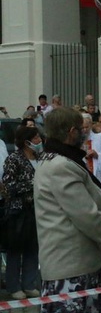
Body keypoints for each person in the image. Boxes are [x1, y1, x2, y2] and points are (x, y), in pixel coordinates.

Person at [35, 107, 101, 313]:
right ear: (72, 132)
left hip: (78, 265)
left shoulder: (60, 160)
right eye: (81, 130)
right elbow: (85, 214)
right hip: (70, 269)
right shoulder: (61, 166)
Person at [2, 126, 43, 300]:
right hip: (18, 211)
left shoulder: (40, 158)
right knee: (15, 249)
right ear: (26, 141)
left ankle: (29, 284)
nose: (39, 140)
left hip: (37, 210)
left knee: (32, 248)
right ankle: (13, 285)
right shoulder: (14, 159)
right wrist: (33, 184)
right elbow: (9, 186)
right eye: (35, 138)